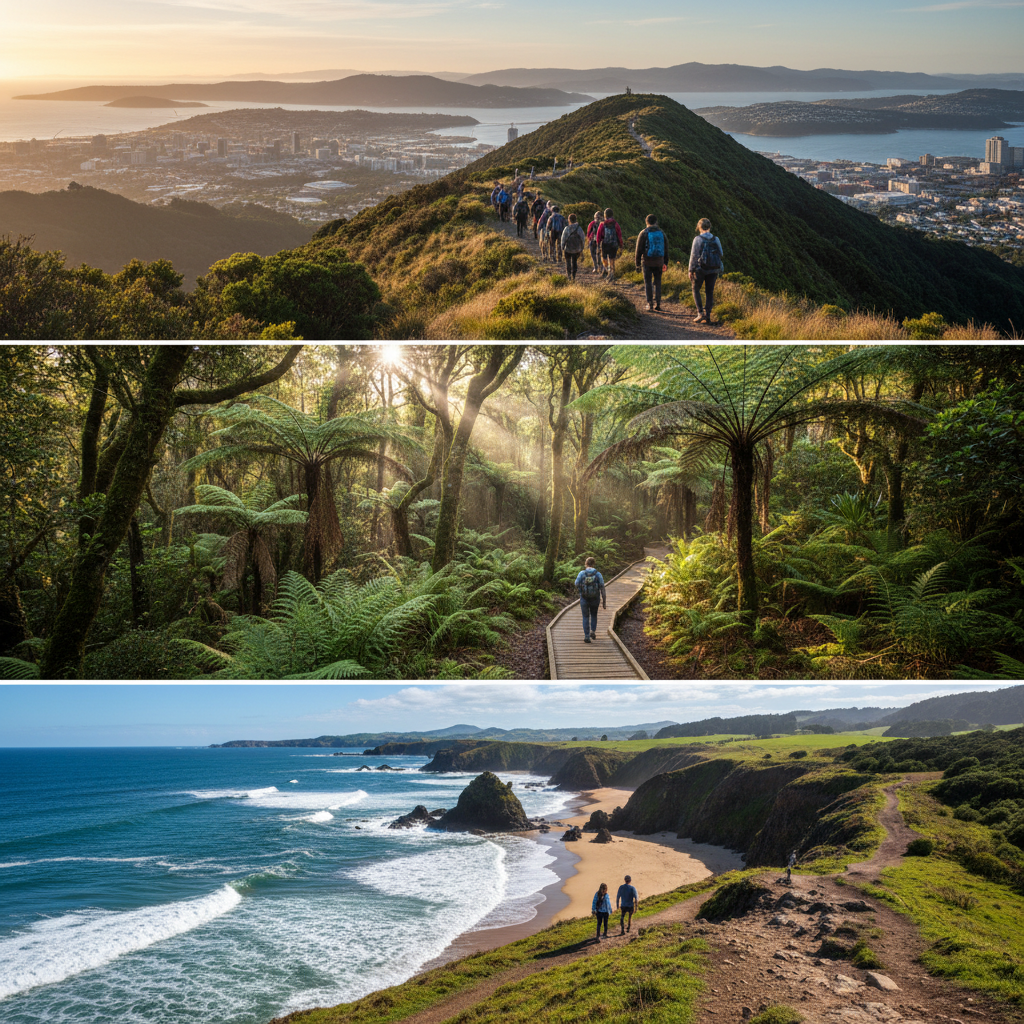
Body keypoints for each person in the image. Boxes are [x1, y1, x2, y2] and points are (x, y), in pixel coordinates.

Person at [689, 217, 723, 324]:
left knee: (695, 289)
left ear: (699, 227)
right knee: (709, 292)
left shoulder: (697, 239)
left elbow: (694, 256)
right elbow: (721, 253)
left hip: (701, 269)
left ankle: (700, 313)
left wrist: (691, 270)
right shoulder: (716, 239)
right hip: (713, 269)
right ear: (709, 227)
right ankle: (708, 315)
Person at [634, 214, 669, 312]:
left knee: (648, 282)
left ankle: (650, 304)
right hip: (659, 262)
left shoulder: (643, 233)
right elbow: (666, 249)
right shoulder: (662, 233)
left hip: (647, 261)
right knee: (658, 282)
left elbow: (638, 250)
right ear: (656, 222)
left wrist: (637, 263)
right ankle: (658, 304)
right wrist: (665, 262)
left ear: (646, 222)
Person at [575, 556, 606, 643]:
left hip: (584, 598)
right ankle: (593, 631)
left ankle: (587, 636)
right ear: (593, 564)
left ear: (586, 564)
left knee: (585, 616)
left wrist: (581, 590)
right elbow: (602, 587)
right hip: (595, 598)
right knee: (594, 615)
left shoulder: (582, 573)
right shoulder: (598, 574)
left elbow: (576, 583)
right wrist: (604, 601)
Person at [597, 209, 623, 279]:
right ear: (612, 215)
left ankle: (606, 271)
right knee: (612, 259)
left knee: (604, 258)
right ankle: (611, 274)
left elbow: (598, 236)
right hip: (613, 244)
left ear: (605, 215)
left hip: (605, 244)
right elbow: (619, 235)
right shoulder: (616, 224)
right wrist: (621, 245)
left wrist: (598, 244)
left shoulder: (602, 224)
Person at [561, 213, 586, 281]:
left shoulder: (567, 228)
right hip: (576, 249)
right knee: (574, 262)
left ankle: (569, 276)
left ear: (569, 220)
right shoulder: (579, 228)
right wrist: (582, 248)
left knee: (568, 262)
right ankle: (573, 276)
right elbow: (582, 238)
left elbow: (563, 238)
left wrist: (562, 247)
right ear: (575, 219)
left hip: (568, 249)